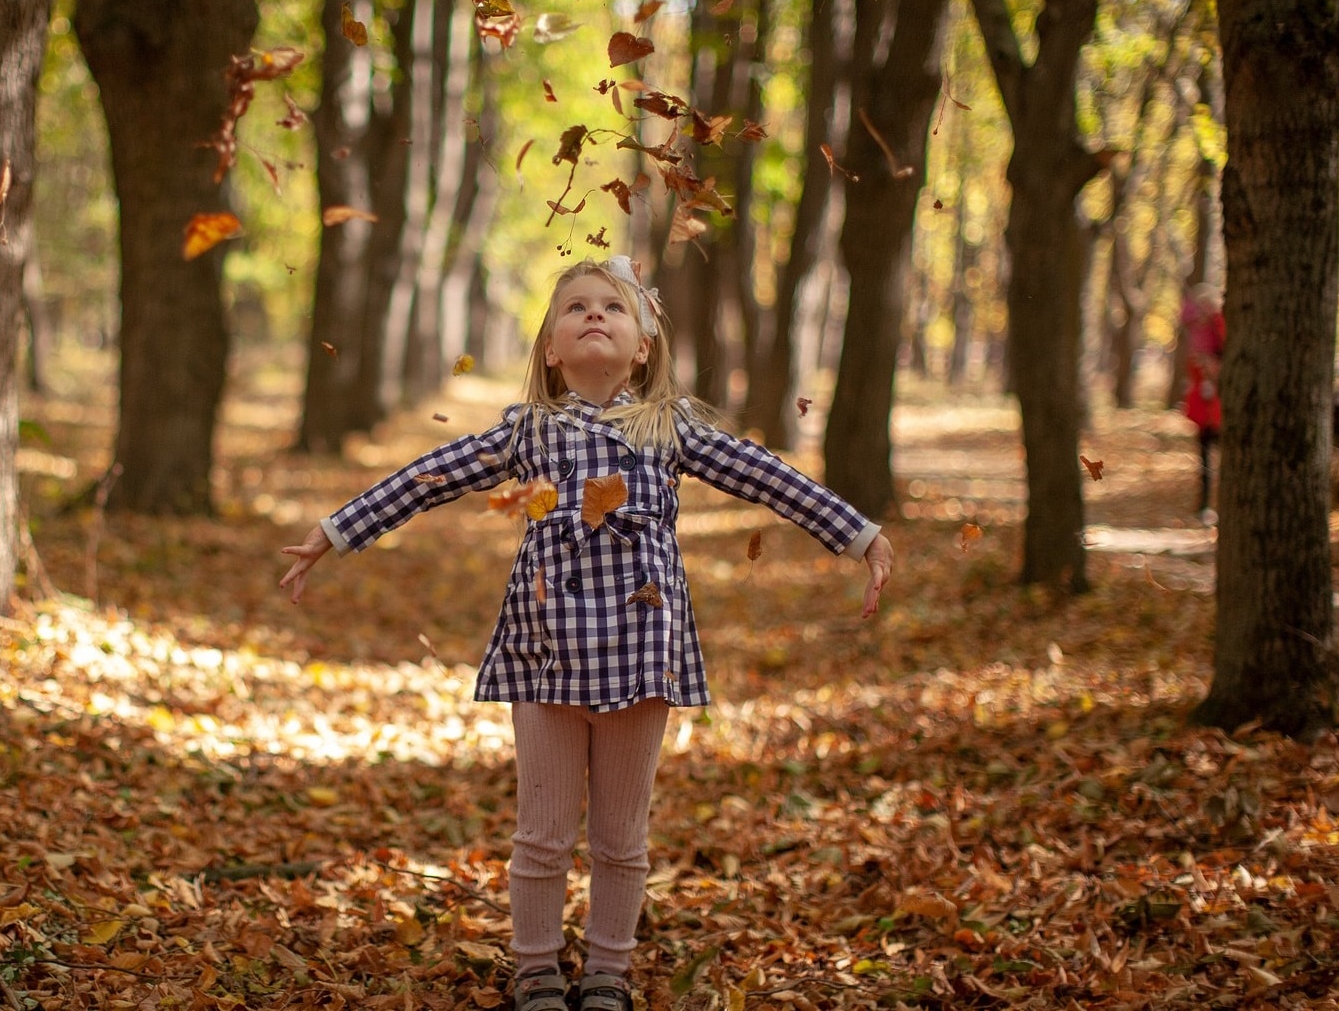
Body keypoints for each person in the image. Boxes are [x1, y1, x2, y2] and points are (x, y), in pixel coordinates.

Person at [277, 257, 894, 1011]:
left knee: (619, 838)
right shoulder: (528, 430)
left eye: (613, 306)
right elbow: (429, 475)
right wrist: (337, 531)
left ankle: (607, 972)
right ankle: (534, 969)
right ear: (550, 348)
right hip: (545, 651)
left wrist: (859, 536)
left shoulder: (670, 427)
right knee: (542, 833)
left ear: (642, 345)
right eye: (575, 308)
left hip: (643, 651)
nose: (594, 315)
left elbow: (769, 476)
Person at [1180, 284, 1225, 525]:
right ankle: (1205, 505)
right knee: (1205, 457)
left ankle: (1216, 504)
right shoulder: (1197, 336)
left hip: (1219, 408)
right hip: (1204, 408)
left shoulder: (1219, 327)